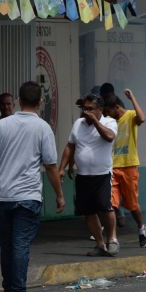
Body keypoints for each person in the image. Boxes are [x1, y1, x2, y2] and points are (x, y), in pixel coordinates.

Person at [0, 81, 65, 292]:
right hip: (28, 196)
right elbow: (51, 166)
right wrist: (59, 195)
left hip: (3, 196)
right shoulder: (43, 128)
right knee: (20, 245)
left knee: (8, 245)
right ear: (40, 102)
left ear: (17, 101)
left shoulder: (3, 125)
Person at [59, 94, 118, 256]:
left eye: (90, 109)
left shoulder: (109, 122)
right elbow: (70, 146)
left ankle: (112, 239)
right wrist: (62, 168)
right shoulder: (78, 124)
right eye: (85, 109)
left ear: (100, 110)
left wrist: (96, 122)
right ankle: (100, 244)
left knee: (104, 206)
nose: (86, 112)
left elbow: (109, 137)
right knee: (88, 211)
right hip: (83, 175)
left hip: (102, 174)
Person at [105, 89, 146, 247]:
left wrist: (132, 98)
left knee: (132, 205)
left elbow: (142, 118)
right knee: (111, 204)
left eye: (109, 111)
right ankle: (112, 237)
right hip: (113, 167)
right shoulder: (109, 121)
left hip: (129, 165)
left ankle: (141, 227)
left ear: (116, 107)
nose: (108, 115)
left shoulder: (130, 116)